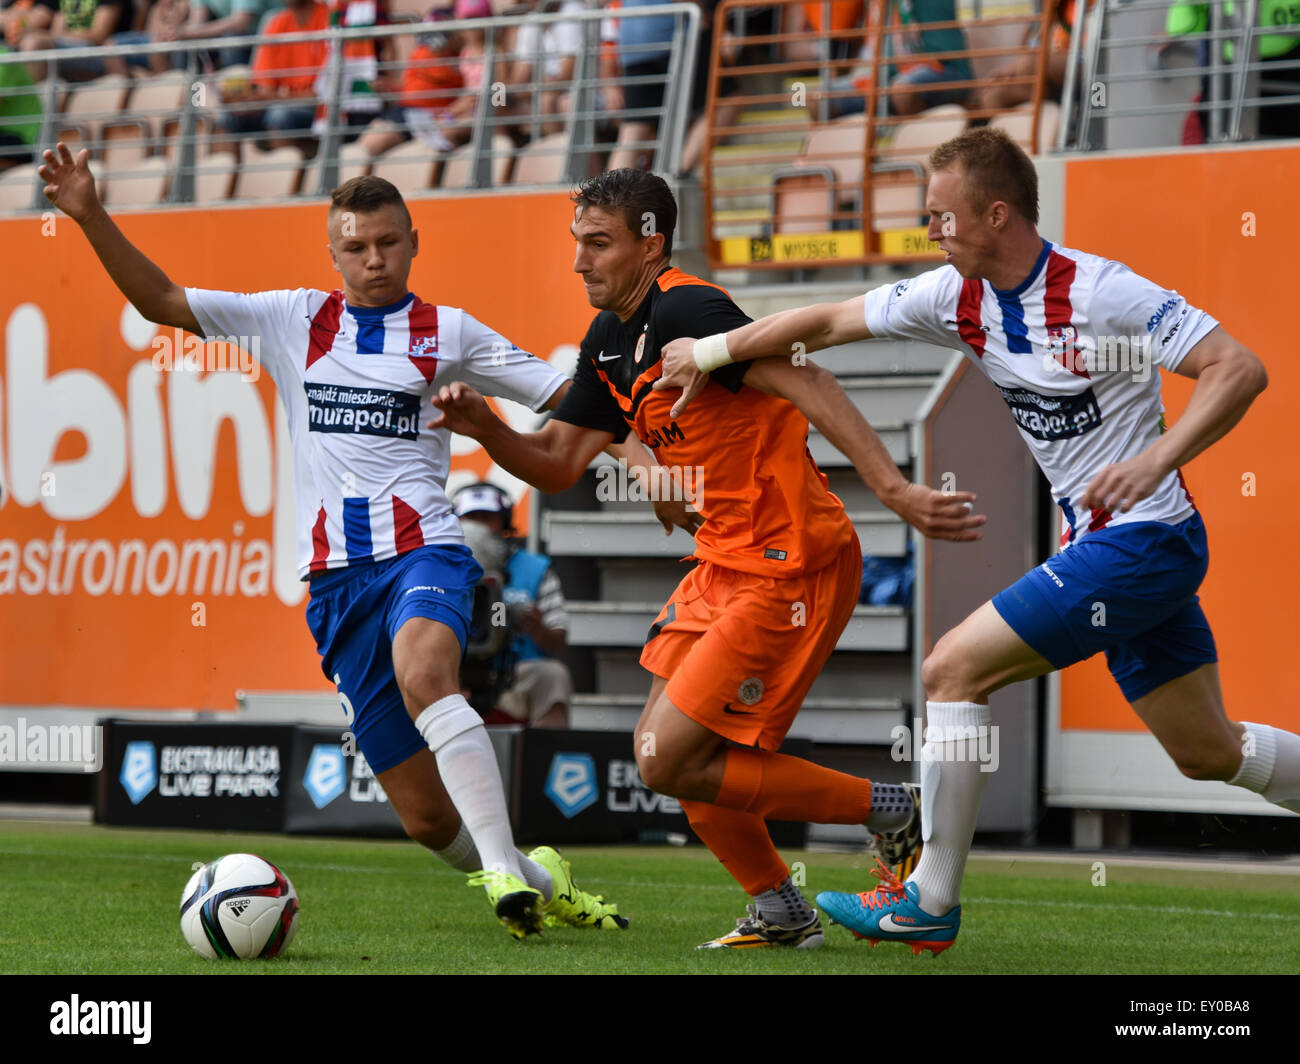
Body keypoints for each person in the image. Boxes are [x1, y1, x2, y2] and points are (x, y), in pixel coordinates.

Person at [656, 127, 1299, 955]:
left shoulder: (1102, 292)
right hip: (1123, 551)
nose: (931, 232)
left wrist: (1155, 458)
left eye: (940, 216)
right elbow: (825, 319)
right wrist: (710, 350)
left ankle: (928, 897)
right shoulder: (953, 297)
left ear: (997, 214)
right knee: (1209, 752)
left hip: (1143, 542)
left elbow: (1238, 367)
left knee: (951, 668)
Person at [37, 157, 642, 938]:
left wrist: (644, 460)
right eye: (356, 248)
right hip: (334, 585)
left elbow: (569, 397)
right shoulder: (292, 320)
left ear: (413, 242)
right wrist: (88, 213)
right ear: (334, 254)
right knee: (426, 819)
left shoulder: (446, 331)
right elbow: (161, 301)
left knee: (427, 672)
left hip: (424, 549)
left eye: (388, 243)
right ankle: (536, 875)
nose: (374, 260)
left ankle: (501, 877)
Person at [428, 167, 984, 949]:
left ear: (650, 243)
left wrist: (891, 488)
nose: (580, 262)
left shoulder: (687, 308)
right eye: (577, 243)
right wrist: (487, 429)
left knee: (665, 758)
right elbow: (557, 462)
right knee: (673, 755)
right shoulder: (608, 340)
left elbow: (809, 377)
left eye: (598, 243)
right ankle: (782, 911)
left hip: (792, 562)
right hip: (725, 564)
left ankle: (892, 809)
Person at [453, 482, 573, 728]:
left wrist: (535, 627)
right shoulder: (433, 566)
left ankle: (544, 757)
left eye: (486, 518)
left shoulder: (535, 568)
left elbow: (558, 642)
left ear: (504, 521)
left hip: (512, 673)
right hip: (450, 670)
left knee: (553, 675)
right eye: (470, 518)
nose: (478, 527)